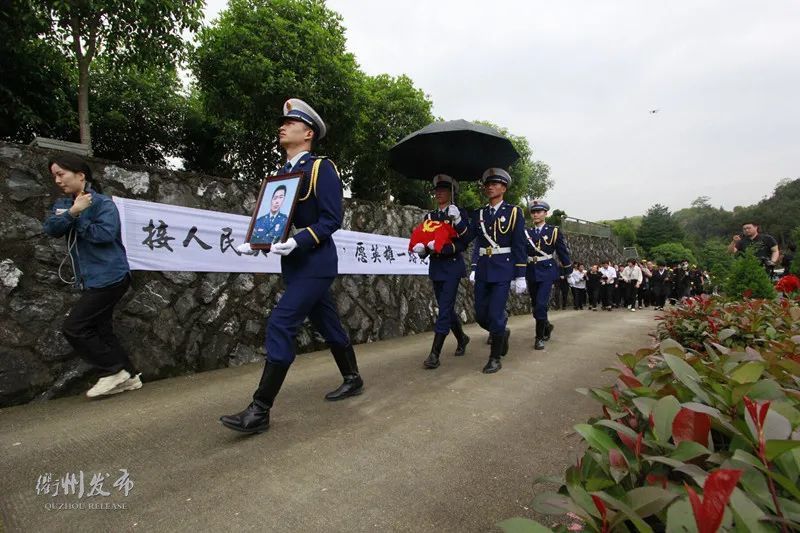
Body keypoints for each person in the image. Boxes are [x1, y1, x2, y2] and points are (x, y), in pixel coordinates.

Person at [221, 98, 363, 434]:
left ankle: (260, 410)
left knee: (280, 325)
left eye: (291, 123)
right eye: (282, 123)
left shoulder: (320, 168)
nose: (282, 126)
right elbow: (276, 221)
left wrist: (299, 241)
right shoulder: (281, 174)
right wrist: (258, 241)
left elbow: (332, 219)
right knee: (327, 324)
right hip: (296, 266)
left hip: (316, 263)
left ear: (308, 133)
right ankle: (353, 378)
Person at [43, 154, 141, 398]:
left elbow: (105, 235)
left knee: (75, 327)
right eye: (54, 175)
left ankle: (113, 369)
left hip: (111, 276)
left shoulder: (103, 204)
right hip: (91, 279)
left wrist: (78, 218)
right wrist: (73, 212)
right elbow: (51, 228)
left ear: (80, 175)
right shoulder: (64, 205)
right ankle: (130, 376)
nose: (57, 180)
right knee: (102, 329)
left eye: (61, 174)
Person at [468, 168, 527, 373]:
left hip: (503, 268)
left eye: (495, 184)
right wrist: (456, 220)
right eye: (487, 184)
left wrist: (520, 275)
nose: (490, 187)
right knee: (481, 316)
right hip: (484, 268)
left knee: (495, 314)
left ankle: (495, 358)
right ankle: (502, 331)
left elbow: (519, 244)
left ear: (504, 187)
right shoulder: (480, 213)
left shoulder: (514, 212)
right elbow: (470, 239)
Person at [412, 174, 471, 369]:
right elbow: (425, 238)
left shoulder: (458, 212)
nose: (438, 193)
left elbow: (465, 240)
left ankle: (434, 354)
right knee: (446, 307)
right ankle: (462, 338)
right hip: (436, 266)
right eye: (436, 190)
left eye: (443, 190)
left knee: (444, 308)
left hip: (452, 266)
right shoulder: (430, 217)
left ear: (451, 193)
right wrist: (423, 250)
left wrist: (459, 220)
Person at [523, 200, 573, 350]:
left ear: (545, 213)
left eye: (539, 211)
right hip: (531, 270)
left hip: (547, 271)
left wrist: (568, 270)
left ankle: (539, 338)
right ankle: (547, 325)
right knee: (535, 306)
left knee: (541, 305)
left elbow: (562, 252)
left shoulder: (554, 231)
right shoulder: (527, 232)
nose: (536, 214)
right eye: (533, 212)